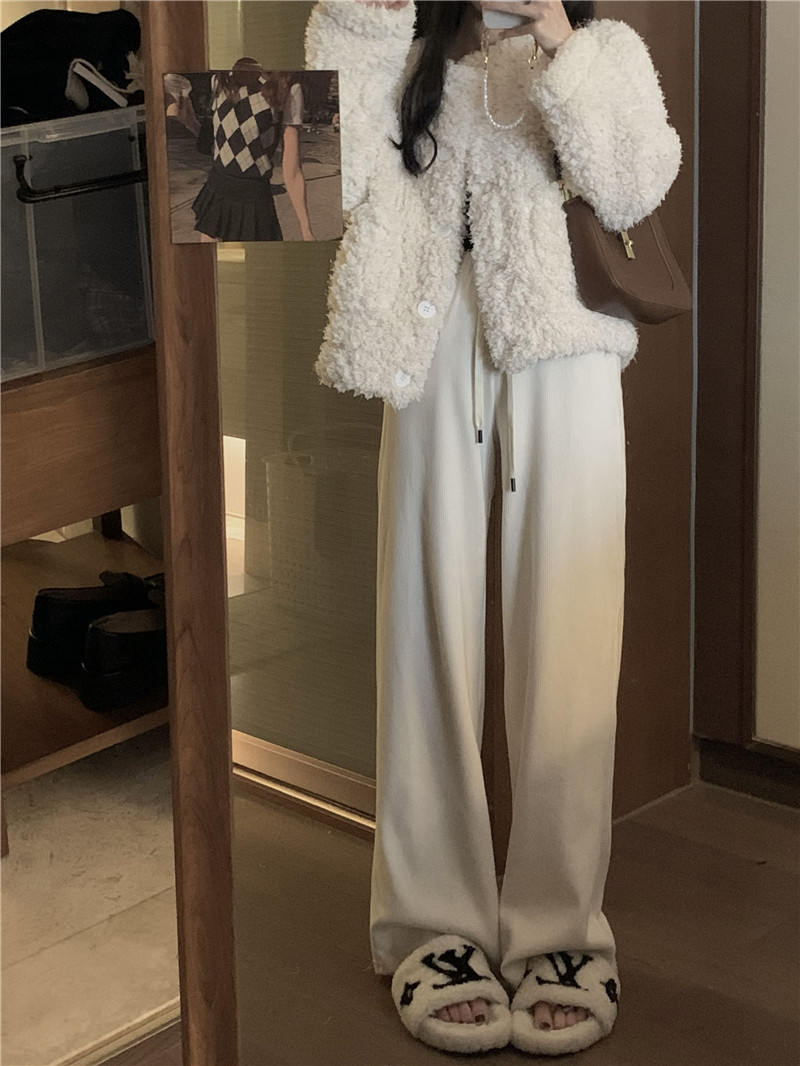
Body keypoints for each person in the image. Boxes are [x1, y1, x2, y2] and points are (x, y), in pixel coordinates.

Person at [305, 0, 681, 1056]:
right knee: (423, 632)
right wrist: (362, 22)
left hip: (568, 348)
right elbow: (314, 180)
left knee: (571, 636)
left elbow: (634, 183)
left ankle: (562, 928)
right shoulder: (403, 52)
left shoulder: (600, 52)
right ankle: (431, 924)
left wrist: (561, 42)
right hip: (427, 350)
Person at [191, 59, 315, 242]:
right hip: (217, 191)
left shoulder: (287, 88)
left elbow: (292, 169)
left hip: (254, 201)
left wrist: (306, 228)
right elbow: (217, 142)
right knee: (215, 259)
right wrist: (187, 120)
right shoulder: (219, 80)